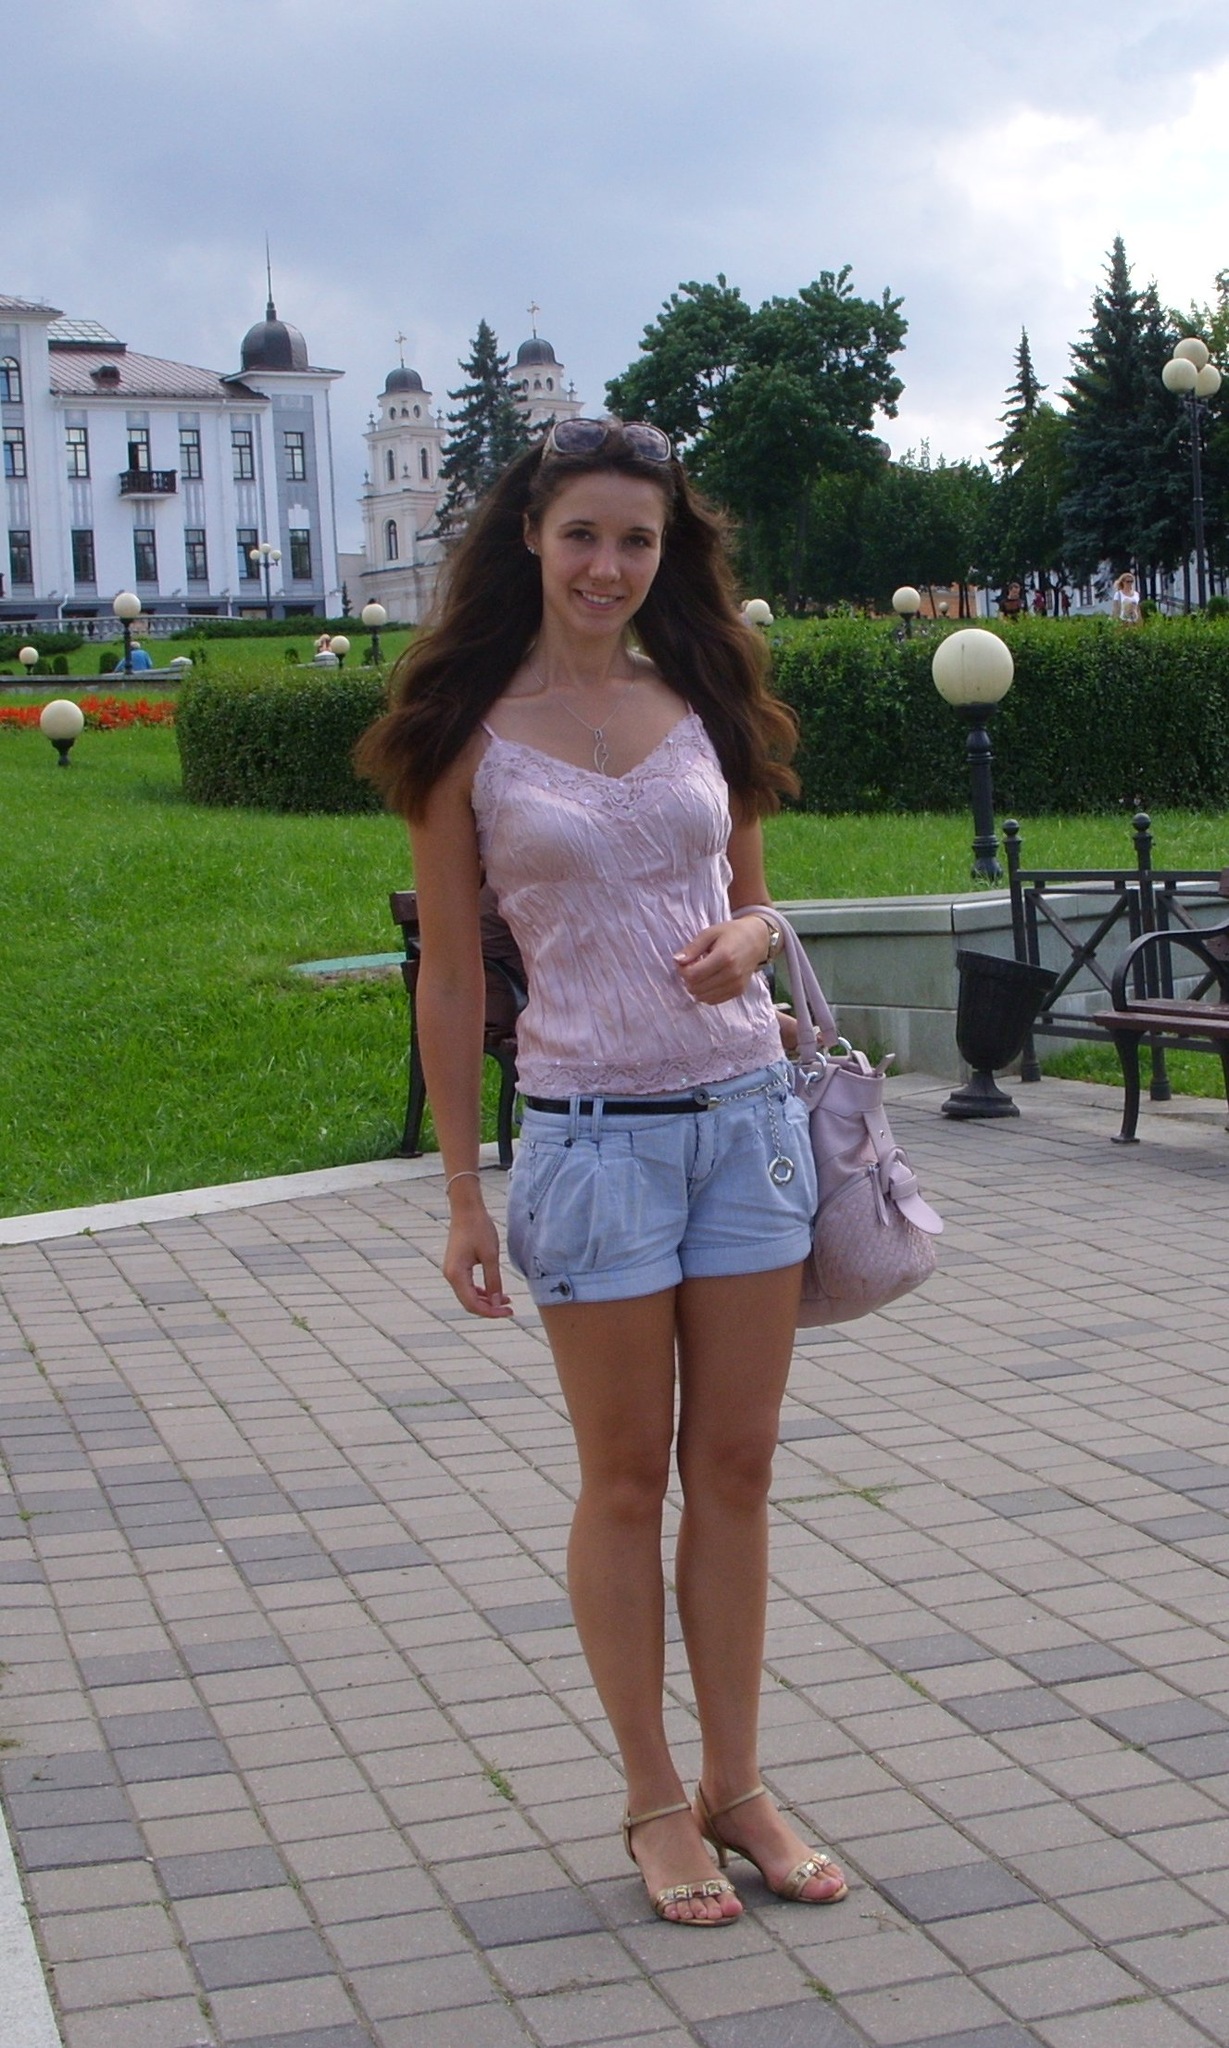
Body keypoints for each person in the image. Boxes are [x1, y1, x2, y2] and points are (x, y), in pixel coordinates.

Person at [356, 418, 848, 1928]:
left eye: (636, 539)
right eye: (582, 534)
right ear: (529, 535)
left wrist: (753, 940)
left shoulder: (702, 696)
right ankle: (650, 1797)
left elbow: (754, 903)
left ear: (663, 551)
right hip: (589, 1143)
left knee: (737, 1471)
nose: (607, 566)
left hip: (747, 1127)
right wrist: (461, 1192)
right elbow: (453, 976)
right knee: (627, 1480)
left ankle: (738, 1783)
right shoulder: (464, 730)